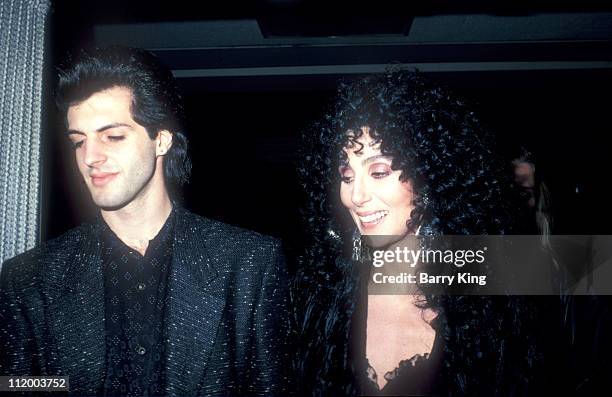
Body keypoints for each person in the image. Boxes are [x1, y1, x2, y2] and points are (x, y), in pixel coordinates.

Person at [0, 46, 290, 396]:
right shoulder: (28, 279)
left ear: (161, 140)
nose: (90, 157)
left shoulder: (249, 264)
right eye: (78, 141)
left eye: (113, 136)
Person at [293, 71, 541, 395]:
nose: (355, 196)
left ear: (428, 175)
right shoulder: (316, 291)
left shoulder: (490, 300)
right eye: (347, 174)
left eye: (378, 171)